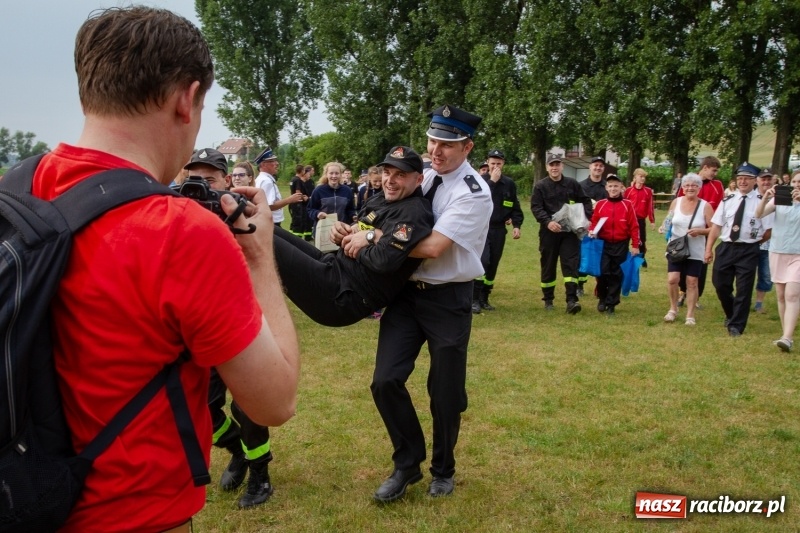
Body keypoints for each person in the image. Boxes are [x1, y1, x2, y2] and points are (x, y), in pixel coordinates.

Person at [31, 7, 300, 532]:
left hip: (25, 493)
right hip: (131, 512)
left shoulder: (17, 191)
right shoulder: (178, 231)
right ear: (186, 98)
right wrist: (261, 257)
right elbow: (274, 399)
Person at [357, 104, 491, 503]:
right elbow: (385, 216)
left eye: (448, 144)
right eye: (433, 140)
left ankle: (443, 469)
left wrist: (370, 240)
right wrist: (361, 228)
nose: (436, 150)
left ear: (467, 147)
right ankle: (407, 463)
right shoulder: (424, 178)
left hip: (447, 300)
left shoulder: (474, 193)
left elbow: (432, 247)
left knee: (445, 394)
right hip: (405, 296)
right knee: (385, 380)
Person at [277, 146, 433, 326]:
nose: (390, 180)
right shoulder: (381, 199)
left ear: (419, 179)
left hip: (346, 295)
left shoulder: (413, 212)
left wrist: (362, 241)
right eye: (387, 173)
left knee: (262, 239)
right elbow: (359, 227)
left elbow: (383, 260)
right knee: (265, 227)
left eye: (400, 175)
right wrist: (343, 232)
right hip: (334, 265)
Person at [705, 163, 773, 336]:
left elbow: (768, 231)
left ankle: (736, 325)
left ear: (754, 181)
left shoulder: (762, 202)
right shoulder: (728, 200)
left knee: (744, 288)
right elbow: (716, 226)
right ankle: (732, 313)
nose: (742, 182)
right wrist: (708, 248)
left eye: (747, 179)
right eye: (740, 178)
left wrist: (754, 242)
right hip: (726, 247)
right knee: (720, 284)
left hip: (748, 249)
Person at [531, 153, 593, 313]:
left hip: (570, 233)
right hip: (549, 233)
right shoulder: (540, 186)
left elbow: (585, 201)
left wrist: (585, 218)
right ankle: (548, 300)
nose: (554, 168)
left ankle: (572, 300)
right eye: (551, 165)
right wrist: (548, 222)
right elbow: (536, 207)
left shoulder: (572, 184)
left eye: (557, 164)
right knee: (548, 265)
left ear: (562, 166)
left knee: (570, 265)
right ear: (547, 167)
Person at [472, 148, 523, 313]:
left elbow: (514, 206)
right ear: (487, 162)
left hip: (499, 229)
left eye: (498, 163)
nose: (495, 167)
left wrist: (516, 225)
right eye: (492, 163)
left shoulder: (509, 184)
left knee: (493, 264)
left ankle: (484, 298)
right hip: (481, 228)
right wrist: (492, 182)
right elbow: (477, 200)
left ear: (503, 164)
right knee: (482, 261)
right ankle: (474, 299)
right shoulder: (478, 180)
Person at [659, 173, 714, 325]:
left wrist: (700, 231)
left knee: (692, 281)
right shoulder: (676, 202)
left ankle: (690, 315)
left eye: (694, 185)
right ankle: (673, 309)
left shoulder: (705, 206)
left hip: (696, 249)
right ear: (682, 188)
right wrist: (663, 226)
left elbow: (715, 229)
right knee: (673, 279)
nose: (690, 188)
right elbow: (669, 219)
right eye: (687, 185)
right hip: (676, 247)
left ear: (699, 188)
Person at [755, 169, 800, 351]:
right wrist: (766, 197)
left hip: (798, 253)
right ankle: (785, 334)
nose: (797, 185)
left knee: (792, 294)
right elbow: (759, 214)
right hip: (778, 251)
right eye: (796, 182)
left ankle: (787, 337)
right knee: (781, 295)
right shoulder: (782, 199)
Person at [587, 174, 640, 314]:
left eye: (616, 186)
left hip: (621, 243)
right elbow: (594, 222)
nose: (613, 189)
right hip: (603, 243)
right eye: (610, 186)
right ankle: (602, 298)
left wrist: (635, 245)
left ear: (621, 187)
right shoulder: (600, 204)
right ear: (606, 188)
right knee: (602, 272)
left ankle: (612, 303)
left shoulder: (627, 204)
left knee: (617, 274)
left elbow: (634, 226)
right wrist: (592, 231)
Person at [676, 156, 724, 307]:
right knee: (682, 260)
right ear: (705, 167)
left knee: (701, 264)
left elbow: (720, 208)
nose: (714, 174)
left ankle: (696, 297)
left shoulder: (717, 185)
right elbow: (679, 203)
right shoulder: (690, 183)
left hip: (707, 230)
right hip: (686, 231)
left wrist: (710, 229)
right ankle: (682, 292)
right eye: (713, 170)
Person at [577, 156, 608, 295]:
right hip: (585, 226)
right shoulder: (581, 186)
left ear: (603, 169)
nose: (598, 168)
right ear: (590, 167)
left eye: (601, 166)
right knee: (583, 255)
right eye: (595, 165)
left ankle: (600, 286)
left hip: (605, 227)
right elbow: (576, 206)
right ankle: (580, 285)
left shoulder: (608, 186)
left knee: (603, 256)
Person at [255, 147, 304, 227]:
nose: (277, 163)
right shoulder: (266, 181)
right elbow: (269, 206)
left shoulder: (261, 179)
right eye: (272, 161)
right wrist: (290, 200)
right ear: (263, 164)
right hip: (271, 223)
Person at [753, 168, 776, 313]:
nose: (766, 182)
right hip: (750, 242)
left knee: (766, 275)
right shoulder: (751, 197)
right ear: (757, 181)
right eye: (763, 179)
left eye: (769, 179)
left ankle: (759, 303)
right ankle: (742, 300)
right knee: (746, 273)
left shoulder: (778, 198)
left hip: (769, 244)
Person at [623, 167, 655, 268]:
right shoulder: (628, 191)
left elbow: (650, 206)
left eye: (644, 177)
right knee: (625, 239)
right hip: (628, 219)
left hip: (640, 220)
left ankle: (641, 258)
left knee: (641, 240)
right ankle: (624, 257)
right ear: (635, 177)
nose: (642, 179)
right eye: (640, 176)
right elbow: (623, 204)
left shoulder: (648, 191)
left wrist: (652, 220)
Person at [308, 161, 357, 226]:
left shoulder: (347, 190)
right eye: (331, 173)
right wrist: (317, 214)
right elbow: (310, 209)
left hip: (342, 228)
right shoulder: (318, 190)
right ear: (326, 174)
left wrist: (353, 216)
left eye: (337, 173)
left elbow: (350, 209)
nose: (334, 176)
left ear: (341, 174)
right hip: (323, 228)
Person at [289, 164, 315, 240]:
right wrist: (305, 198)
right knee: (299, 222)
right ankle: (297, 239)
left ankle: (292, 237)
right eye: (304, 170)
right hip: (298, 204)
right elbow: (298, 193)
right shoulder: (298, 180)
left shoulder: (292, 179)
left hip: (293, 204)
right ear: (302, 171)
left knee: (294, 222)